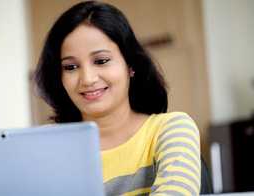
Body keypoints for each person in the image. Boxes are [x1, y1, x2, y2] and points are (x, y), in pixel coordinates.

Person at [34, 1, 201, 195]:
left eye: (101, 61)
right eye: (70, 67)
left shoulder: (171, 129)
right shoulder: (46, 145)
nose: (88, 79)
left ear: (130, 65)